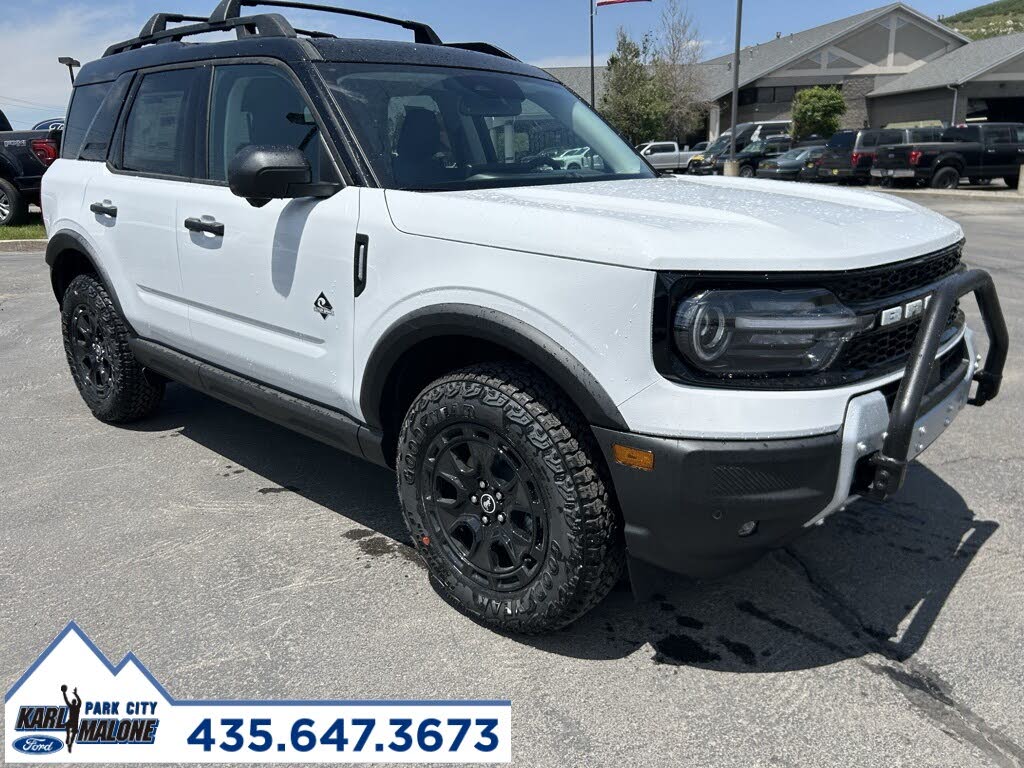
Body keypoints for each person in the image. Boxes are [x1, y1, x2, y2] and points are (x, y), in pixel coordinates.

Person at [61, 684, 81, 753]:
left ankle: (70, 743)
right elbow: (66, 700)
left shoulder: (75, 707)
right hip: (72, 722)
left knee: (71, 731)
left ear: (73, 702)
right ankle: (68, 737)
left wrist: (75, 694)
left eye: (73, 701)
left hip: (74, 722)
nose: (73, 702)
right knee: (68, 727)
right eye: (73, 701)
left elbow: (78, 701)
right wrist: (64, 693)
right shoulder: (74, 706)